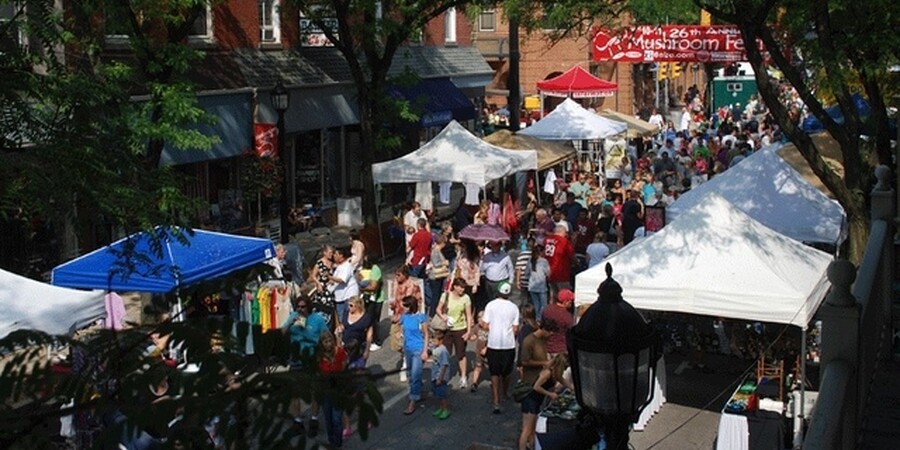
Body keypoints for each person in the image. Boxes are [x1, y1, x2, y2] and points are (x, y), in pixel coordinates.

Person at [281, 293, 329, 431]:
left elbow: (325, 336)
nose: (301, 309)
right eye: (298, 307)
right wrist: (291, 322)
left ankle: (314, 418)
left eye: (303, 307)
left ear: (308, 307)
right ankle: (298, 420)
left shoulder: (317, 319)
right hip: (296, 359)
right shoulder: (293, 316)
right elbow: (282, 333)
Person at [518, 319, 559, 450]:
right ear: (545, 330)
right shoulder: (529, 341)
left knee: (533, 425)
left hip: (539, 384)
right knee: (527, 428)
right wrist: (543, 363)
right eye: (551, 332)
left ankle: (532, 446)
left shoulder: (542, 340)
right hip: (530, 386)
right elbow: (524, 362)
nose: (551, 335)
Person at [482, 281, 520, 414]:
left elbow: (485, 325)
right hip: (508, 344)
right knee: (507, 371)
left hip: (494, 343)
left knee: (494, 373)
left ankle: (496, 400)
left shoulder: (490, 305)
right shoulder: (514, 307)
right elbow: (515, 329)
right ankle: (505, 392)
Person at [435, 278, 474, 389]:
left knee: (460, 354)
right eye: (460, 287)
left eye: (464, 288)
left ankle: (463, 377)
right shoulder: (446, 295)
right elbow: (438, 309)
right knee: (445, 353)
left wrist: (468, 332)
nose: (462, 290)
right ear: (455, 286)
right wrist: (443, 316)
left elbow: (468, 315)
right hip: (447, 329)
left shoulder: (466, 298)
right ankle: (443, 376)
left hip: (460, 329)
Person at [316, 330, 348, 449]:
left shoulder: (339, 352)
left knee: (337, 419)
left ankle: (337, 443)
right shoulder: (319, 356)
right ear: (322, 343)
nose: (328, 344)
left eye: (330, 341)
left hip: (338, 390)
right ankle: (331, 440)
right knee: (328, 419)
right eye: (325, 342)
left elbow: (343, 368)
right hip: (325, 391)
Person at [399, 295, 429, 415]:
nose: (403, 308)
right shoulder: (404, 317)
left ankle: (412, 401)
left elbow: (426, 334)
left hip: (418, 349)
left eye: (406, 306)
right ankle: (417, 393)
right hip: (408, 349)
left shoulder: (420, 318)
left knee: (415, 375)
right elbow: (401, 329)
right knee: (411, 374)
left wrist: (425, 351)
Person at [358, 255, 384, 350]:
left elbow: (373, 287)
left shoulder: (375, 269)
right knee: (369, 319)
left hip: (376, 299)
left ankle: (377, 341)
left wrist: (362, 288)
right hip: (369, 298)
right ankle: (371, 339)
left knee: (374, 320)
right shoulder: (369, 269)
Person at [308, 244, 336, 328]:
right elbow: (313, 275)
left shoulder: (332, 263)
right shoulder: (319, 263)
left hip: (330, 288)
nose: (331, 255)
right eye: (330, 253)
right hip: (322, 288)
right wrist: (318, 283)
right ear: (325, 253)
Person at [543, 225, 575, 298]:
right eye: (565, 233)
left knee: (553, 295)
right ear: (562, 232)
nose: (566, 235)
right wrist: (576, 263)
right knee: (564, 296)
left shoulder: (546, 240)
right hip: (561, 272)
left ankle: (552, 309)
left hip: (549, 271)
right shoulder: (564, 241)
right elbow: (572, 255)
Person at [329, 247, 359, 324]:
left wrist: (328, 276)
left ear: (341, 255)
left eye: (336, 254)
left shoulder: (347, 266)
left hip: (348, 297)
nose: (334, 256)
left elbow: (342, 280)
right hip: (339, 298)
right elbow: (334, 280)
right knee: (342, 319)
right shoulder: (339, 267)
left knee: (350, 318)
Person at [541, 289, 574, 358]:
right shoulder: (567, 316)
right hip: (560, 349)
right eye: (570, 301)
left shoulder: (547, 310)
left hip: (546, 347)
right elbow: (571, 333)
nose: (571, 303)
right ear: (565, 302)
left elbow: (542, 325)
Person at [430, 330, 452, 420]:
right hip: (435, 375)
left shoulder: (443, 351)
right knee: (438, 394)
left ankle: (445, 409)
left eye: (435, 341)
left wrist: (440, 378)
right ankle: (441, 408)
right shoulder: (436, 349)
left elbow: (444, 365)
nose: (433, 343)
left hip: (440, 377)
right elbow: (435, 360)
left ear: (441, 340)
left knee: (442, 395)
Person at [427, 235, 451, 317]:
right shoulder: (435, 251)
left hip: (439, 276)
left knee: (438, 294)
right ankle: (432, 313)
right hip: (435, 276)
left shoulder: (437, 250)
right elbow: (436, 264)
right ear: (442, 243)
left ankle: (435, 312)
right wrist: (445, 263)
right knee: (435, 295)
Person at [526, 245, 550, 318]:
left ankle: (537, 319)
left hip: (532, 286)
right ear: (541, 252)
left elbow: (526, 273)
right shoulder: (544, 261)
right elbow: (548, 273)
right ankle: (542, 320)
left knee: (536, 305)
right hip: (542, 286)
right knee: (544, 305)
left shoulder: (530, 260)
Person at [469, 310, 489, 393]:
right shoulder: (477, 327)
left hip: (489, 351)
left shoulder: (490, 328)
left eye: (482, 319)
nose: (480, 321)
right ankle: (474, 383)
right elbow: (473, 336)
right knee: (478, 367)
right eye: (478, 319)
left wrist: (486, 348)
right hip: (479, 351)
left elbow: (494, 339)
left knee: (493, 367)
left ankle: (498, 381)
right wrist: (471, 336)